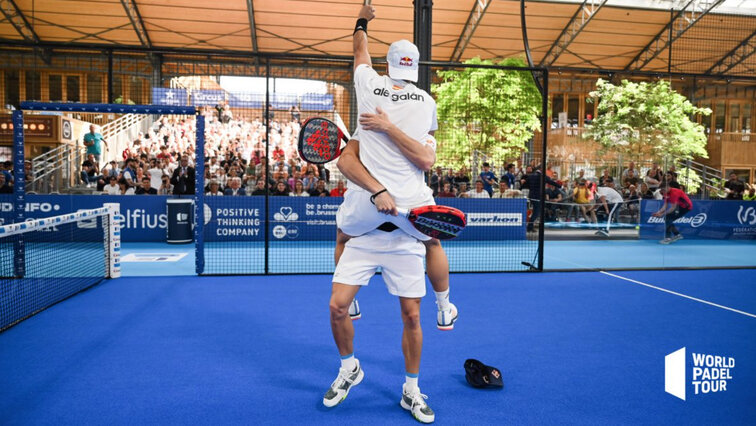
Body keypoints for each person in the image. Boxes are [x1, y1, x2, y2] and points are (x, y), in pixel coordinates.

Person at [324, 4, 438, 422]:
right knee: (339, 305)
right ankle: (349, 369)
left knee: (409, 314)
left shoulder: (368, 82)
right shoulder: (425, 101)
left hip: (403, 229)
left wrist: (362, 21)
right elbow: (426, 157)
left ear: (388, 65)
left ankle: (411, 390)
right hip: (376, 227)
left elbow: (359, 51)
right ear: (413, 67)